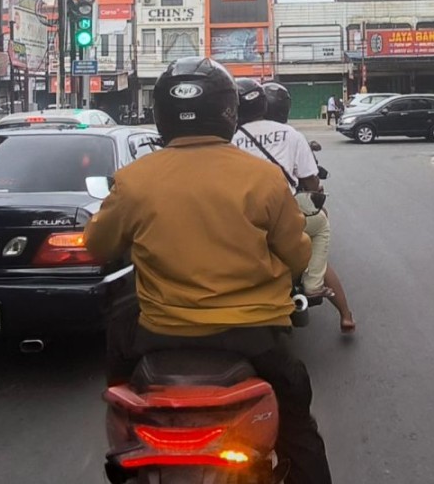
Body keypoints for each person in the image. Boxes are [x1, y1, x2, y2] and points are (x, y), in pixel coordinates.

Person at [84, 57, 332, 484]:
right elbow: (297, 255)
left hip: (159, 330)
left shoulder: (134, 180)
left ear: (160, 115)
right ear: (228, 113)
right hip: (253, 336)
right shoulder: (265, 178)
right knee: (297, 425)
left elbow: (97, 246)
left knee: (120, 372)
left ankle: (126, 439)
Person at [234, 80, 356, 334]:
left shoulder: (230, 139)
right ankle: (339, 309)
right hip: (283, 216)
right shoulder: (291, 135)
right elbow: (312, 181)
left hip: (241, 219)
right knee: (320, 227)